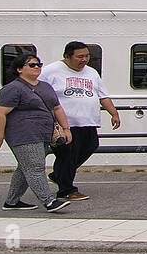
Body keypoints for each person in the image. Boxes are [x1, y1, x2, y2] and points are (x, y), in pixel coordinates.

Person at [0, 52, 74, 212]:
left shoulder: (45, 86)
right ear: (20, 69)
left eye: (39, 65)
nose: (37, 67)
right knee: (35, 167)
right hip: (24, 134)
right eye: (32, 65)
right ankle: (49, 201)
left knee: (24, 168)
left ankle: (11, 202)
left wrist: (65, 128)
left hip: (43, 134)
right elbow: (0, 113)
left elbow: (56, 107)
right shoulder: (13, 89)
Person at [41, 41, 120, 202]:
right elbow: (38, 90)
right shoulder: (51, 71)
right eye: (80, 56)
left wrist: (114, 113)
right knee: (68, 155)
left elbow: (102, 95)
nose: (84, 59)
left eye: (87, 56)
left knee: (91, 146)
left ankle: (59, 175)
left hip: (88, 120)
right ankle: (66, 190)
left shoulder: (91, 72)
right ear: (67, 56)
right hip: (66, 123)